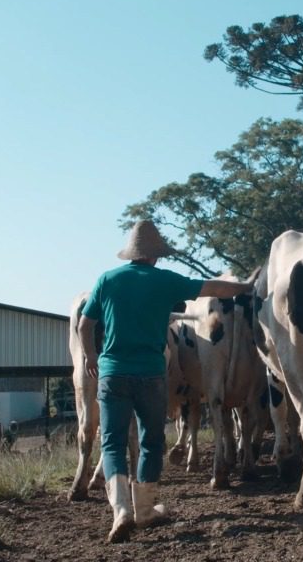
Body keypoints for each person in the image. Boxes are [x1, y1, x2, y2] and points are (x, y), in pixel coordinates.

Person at [79, 220, 253, 543]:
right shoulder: (166, 281)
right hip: (151, 375)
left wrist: (91, 357)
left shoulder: (107, 279)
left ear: (131, 254)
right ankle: (144, 509)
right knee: (151, 440)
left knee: (113, 442)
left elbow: (85, 326)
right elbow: (214, 289)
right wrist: (245, 287)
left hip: (112, 373)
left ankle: (121, 511)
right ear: (155, 255)